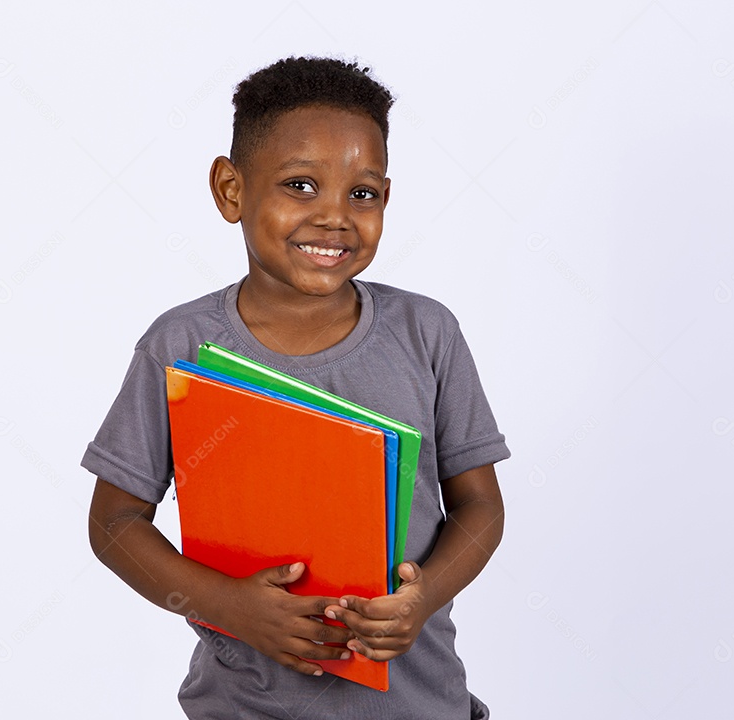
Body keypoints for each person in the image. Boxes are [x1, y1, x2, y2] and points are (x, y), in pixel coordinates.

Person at [83, 55, 510, 719]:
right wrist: (229, 607)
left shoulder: (428, 333)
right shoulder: (181, 346)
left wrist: (422, 598)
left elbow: (480, 507)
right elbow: (114, 523)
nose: (335, 216)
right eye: (301, 185)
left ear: (386, 199)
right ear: (232, 190)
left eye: (361, 194)